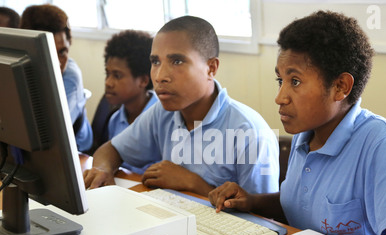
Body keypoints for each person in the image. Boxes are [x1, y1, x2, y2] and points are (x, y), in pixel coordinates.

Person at [208, 10, 386, 235]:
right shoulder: (305, 136)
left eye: (294, 81)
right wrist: (253, 201)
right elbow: (305, 209)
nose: (280, 97)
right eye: (279, 81)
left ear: (340, 87)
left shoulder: (381, 143)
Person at [83, 16, 279, 197]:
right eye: (155, 62)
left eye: (177, 61)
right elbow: (111, 150)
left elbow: (262, 217)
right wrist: (102, 169)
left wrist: (192, 182)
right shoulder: (162, 113)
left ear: (211, 68)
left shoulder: (249, 132)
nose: (160, 76)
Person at [20, 4, 93, 152]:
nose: (58, 63)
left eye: (62, 52)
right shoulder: (18, 69)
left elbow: (53, 133)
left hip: (77, 153)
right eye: (48, 53)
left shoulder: (70, 76)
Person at [103, 29, 157, 173]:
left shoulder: (162, 118)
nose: (108, 82)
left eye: (117, 76)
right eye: (107, 74)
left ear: (144, 80)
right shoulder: (115, 120)